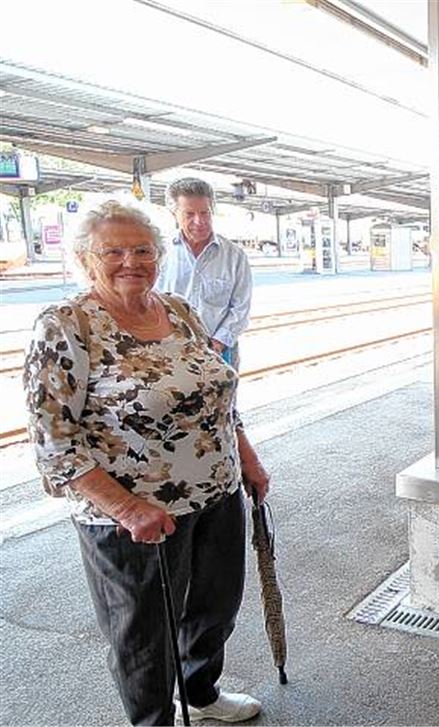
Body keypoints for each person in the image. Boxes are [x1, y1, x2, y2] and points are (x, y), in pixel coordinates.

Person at [24, 201, 269, 725]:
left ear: (159, 256)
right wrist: (129, 509)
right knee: (143, 635)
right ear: (86, 259)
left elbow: (215, 395)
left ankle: (200, 694)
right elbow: (53, 440)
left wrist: (246, 457)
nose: (130, 261)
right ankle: (153, 721)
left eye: (142, 250)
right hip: (132, 517)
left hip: (216, 492)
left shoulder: (178, 310)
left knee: (214, 607)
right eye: (113, 251)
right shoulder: (67, 325)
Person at [156, 177, 253, 368]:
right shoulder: (160, 253)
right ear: (174, 214)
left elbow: (240, 307)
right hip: (170, 352)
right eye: (189, 214)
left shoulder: (234, 256)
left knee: (223, 398)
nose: (199, 221)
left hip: (221, 352)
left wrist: (217, 344)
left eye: (205, 213)